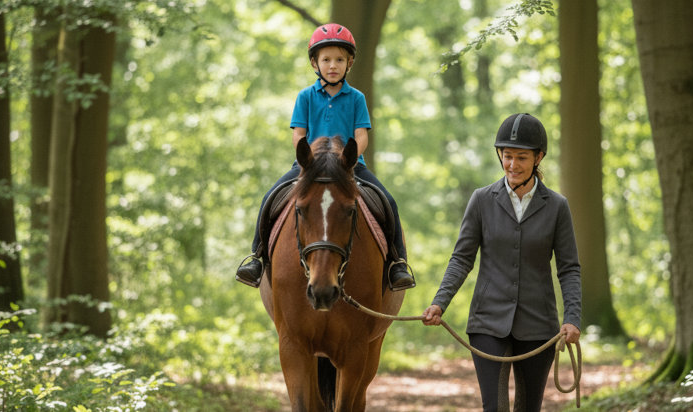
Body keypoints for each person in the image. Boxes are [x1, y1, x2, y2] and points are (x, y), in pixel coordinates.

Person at [236, 23, 414, 291]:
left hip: (349, 167)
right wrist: (307, 157)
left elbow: (362, 135)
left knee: (388, 201)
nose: (333, 65)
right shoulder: (305, 96)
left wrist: (349, 158)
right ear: (314, 63)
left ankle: (396, 263)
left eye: (340, 59)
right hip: (308, 167)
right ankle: (257, 258)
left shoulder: (356, 98)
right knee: (270, 197)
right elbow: (298, 134)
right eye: (326, 59)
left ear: (349, 63)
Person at [422, 113, 581, 412]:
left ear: (538, 157)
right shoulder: (481, 200)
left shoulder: (557, 206)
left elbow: (569, 268)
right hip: (487, 323)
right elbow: (461, 259)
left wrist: (573, 317)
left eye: (521, 157)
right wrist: (439, 302)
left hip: (539, 326)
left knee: (528, 409)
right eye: (507, 156)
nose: (512, 165)